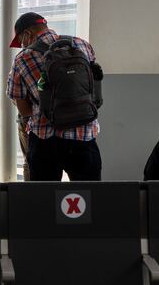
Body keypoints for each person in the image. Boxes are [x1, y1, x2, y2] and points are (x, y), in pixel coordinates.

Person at [7, 12, 102, 181]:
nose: (22, 46)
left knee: (45, 200)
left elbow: (24, 110)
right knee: (88, 198)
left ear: (27, 34)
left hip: (46, 140)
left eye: (21, 41)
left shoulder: (23, 58)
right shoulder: (82, 45)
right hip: (84, 135)